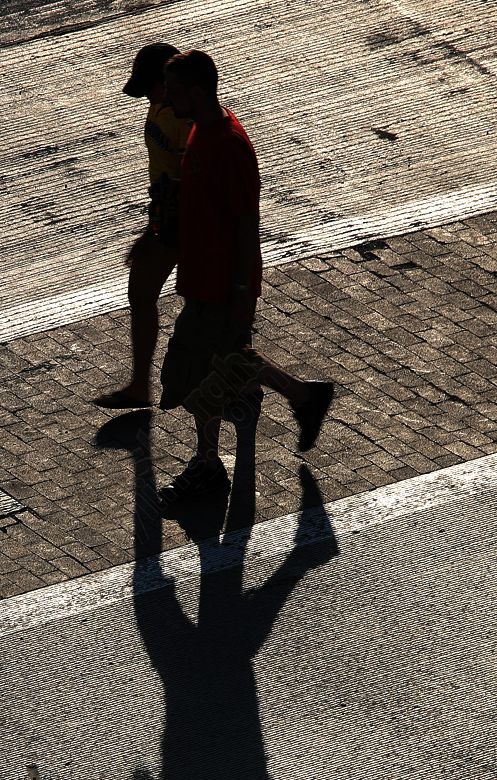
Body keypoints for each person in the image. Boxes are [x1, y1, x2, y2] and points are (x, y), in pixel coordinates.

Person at [157, 50, 334, 502]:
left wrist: (240, 291)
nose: (166, 97)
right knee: (224, 364)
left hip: (219, 284)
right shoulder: (201, 128)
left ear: (197, 92)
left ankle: (208, 464)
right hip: (201, 277)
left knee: (199, 373)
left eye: (174, 90)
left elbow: (245, 223)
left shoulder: (230, 144)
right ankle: (302, 398)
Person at [93, 43, 191, 410]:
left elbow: (185, 179)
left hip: (180, 219)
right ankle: (139, 384)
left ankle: (141, 385)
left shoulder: (183, 119)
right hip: (167, 215)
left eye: (152, 86)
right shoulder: (161, 107)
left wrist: (155, 232)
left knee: (152, 296)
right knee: (144, 294)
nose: (147, 95)